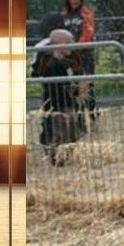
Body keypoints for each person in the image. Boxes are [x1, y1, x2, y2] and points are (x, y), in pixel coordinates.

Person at [31, 29, 89, 165]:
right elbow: (57, 87)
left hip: (68, 102)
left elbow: (69, 82)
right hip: (56, 104)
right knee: (59, 132)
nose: (73, 45)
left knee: (72, 131)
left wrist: (78, 88)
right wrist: (74, 90)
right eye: (70, 42)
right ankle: (56, 157)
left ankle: (65, 156)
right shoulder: (52, 65)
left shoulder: (67, 63)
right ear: (61, 45)